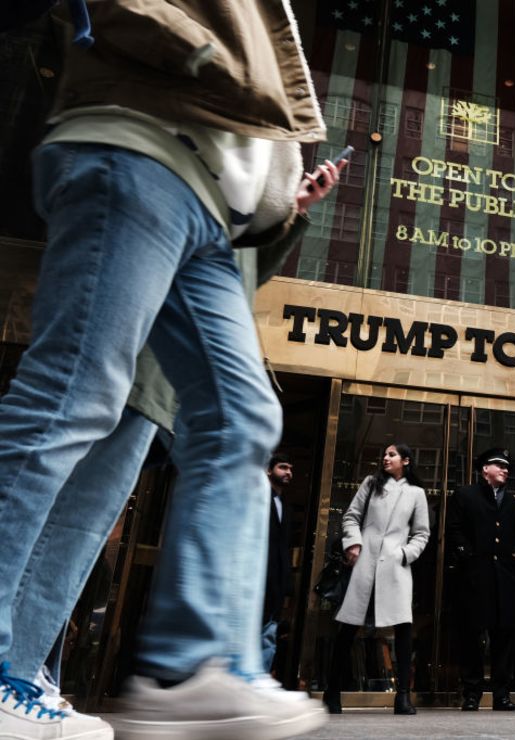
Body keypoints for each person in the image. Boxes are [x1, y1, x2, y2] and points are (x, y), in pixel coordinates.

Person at [0, 2, 343, 737]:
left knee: (243, 418)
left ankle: (196, 667)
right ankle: (17, 669)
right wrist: (196, 53)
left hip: (211, 214)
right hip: (140, 145)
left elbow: (258, 258)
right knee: (71, 397)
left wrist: (286, 206)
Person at [324, 443, 430, 715]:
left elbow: (422, 533)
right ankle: (331, 692)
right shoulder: (371, 483)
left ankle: (403, 697)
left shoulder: (416, 493)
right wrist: (353, 543)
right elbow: (351, 517)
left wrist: (404, 554)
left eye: (392, 454)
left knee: (404, 630)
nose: (385, 458)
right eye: (384, 454)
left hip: (396, 568)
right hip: (364, 564)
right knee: (347, 629)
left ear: (405, 460)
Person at [447, 448, 515, 711]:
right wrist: (467, 555)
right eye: (499, 465)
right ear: (485, 470)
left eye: (507, 467)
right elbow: (454, 529)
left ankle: (502, 695)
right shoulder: (465, 494)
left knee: (504, 636)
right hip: (474, 576)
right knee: (471, 635)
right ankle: (472, 693)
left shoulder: (513, 503)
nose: (505, 470)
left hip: (504, 578)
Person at [263, 454, 295, 674]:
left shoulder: (285, 506)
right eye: (283, 467)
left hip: (276, 582)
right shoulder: (259, 499)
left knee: (268, 633)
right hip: (258, 577)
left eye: (290, 469)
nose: (288, 473)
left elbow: (284, 548)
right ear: (268, 470)